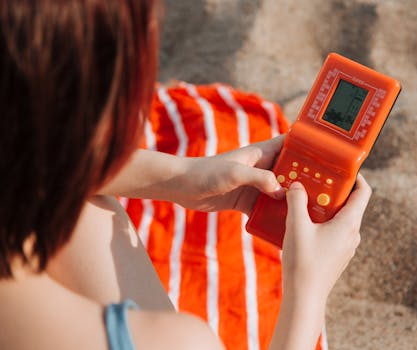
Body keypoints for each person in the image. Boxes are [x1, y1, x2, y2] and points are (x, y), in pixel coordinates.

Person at [0, 0, 372, 349]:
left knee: (85, 210)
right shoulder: (175, 342)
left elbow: (35, 171)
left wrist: (180, 177)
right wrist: (308, 290)